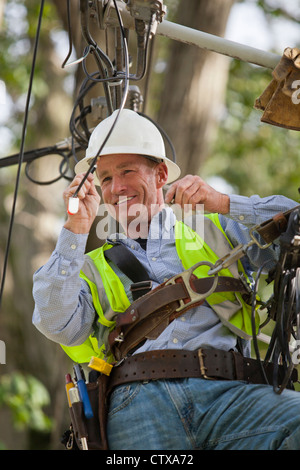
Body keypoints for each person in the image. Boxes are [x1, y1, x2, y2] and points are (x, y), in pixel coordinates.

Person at [32, 108, 300, 450]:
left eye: (127, 171)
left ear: (160, 175)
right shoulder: (85, 267)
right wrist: (75, 229)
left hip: (229, 395)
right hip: (139, 402)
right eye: (106, 179)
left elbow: (294, 227)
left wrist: (224, 202)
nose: (117, 188)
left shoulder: (216, 229)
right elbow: (55, 322)